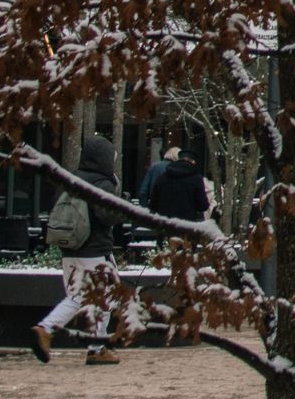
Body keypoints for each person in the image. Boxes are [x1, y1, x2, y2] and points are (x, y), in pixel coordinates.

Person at [32, 134, 123, 365]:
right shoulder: (103, 183)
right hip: (96, 251)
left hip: (70, 250)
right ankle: (95, 347)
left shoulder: (70, 179)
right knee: (106, 299)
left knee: (76, 296)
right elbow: (108, 215)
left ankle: (47, 329)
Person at [145, 147, 211, 225]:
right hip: (186, 225)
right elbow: (203, 206)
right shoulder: (196, 179)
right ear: (193, 162)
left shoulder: (163, 177)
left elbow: (153, 204)